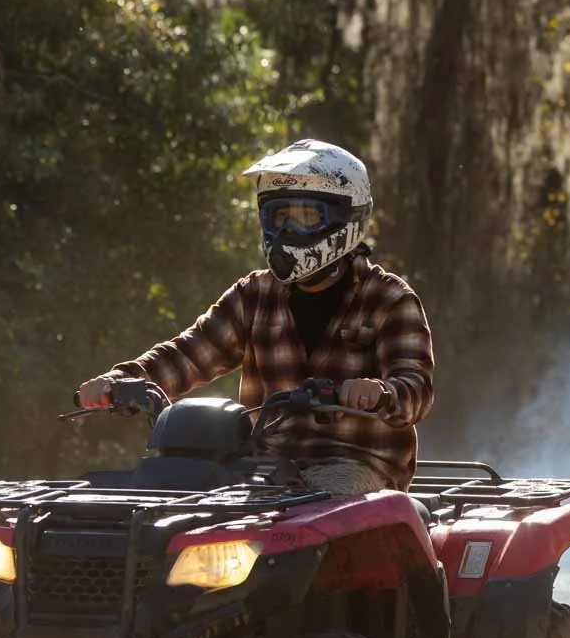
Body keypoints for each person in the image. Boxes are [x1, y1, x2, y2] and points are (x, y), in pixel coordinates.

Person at [75, 139, 434, 494]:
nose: (287, 232)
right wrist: (120, 380)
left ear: (346, 219)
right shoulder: (254, 295)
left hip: (355, 467)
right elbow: (188, 354)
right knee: (179, 500)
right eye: (279, 217)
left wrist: (381, 393)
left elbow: (415, 389)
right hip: (264, 467)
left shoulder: (389, 298)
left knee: (322, 501)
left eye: (306, 217)